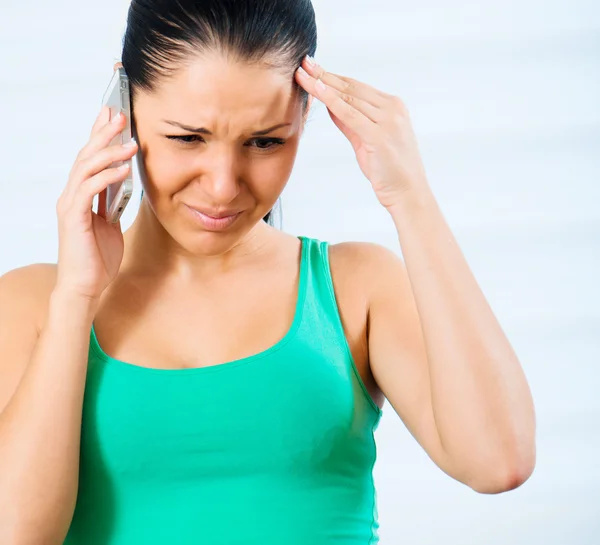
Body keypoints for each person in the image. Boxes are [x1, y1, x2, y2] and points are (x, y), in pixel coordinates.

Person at [0, 0, 537, 543]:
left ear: (305, 117)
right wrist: (75, 297)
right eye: (188, 138)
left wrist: (409, 197)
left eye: (265, 142)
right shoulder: (33, 305)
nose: (223, 185)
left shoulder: (356, 289)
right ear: (124, 111)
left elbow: (498, 461)